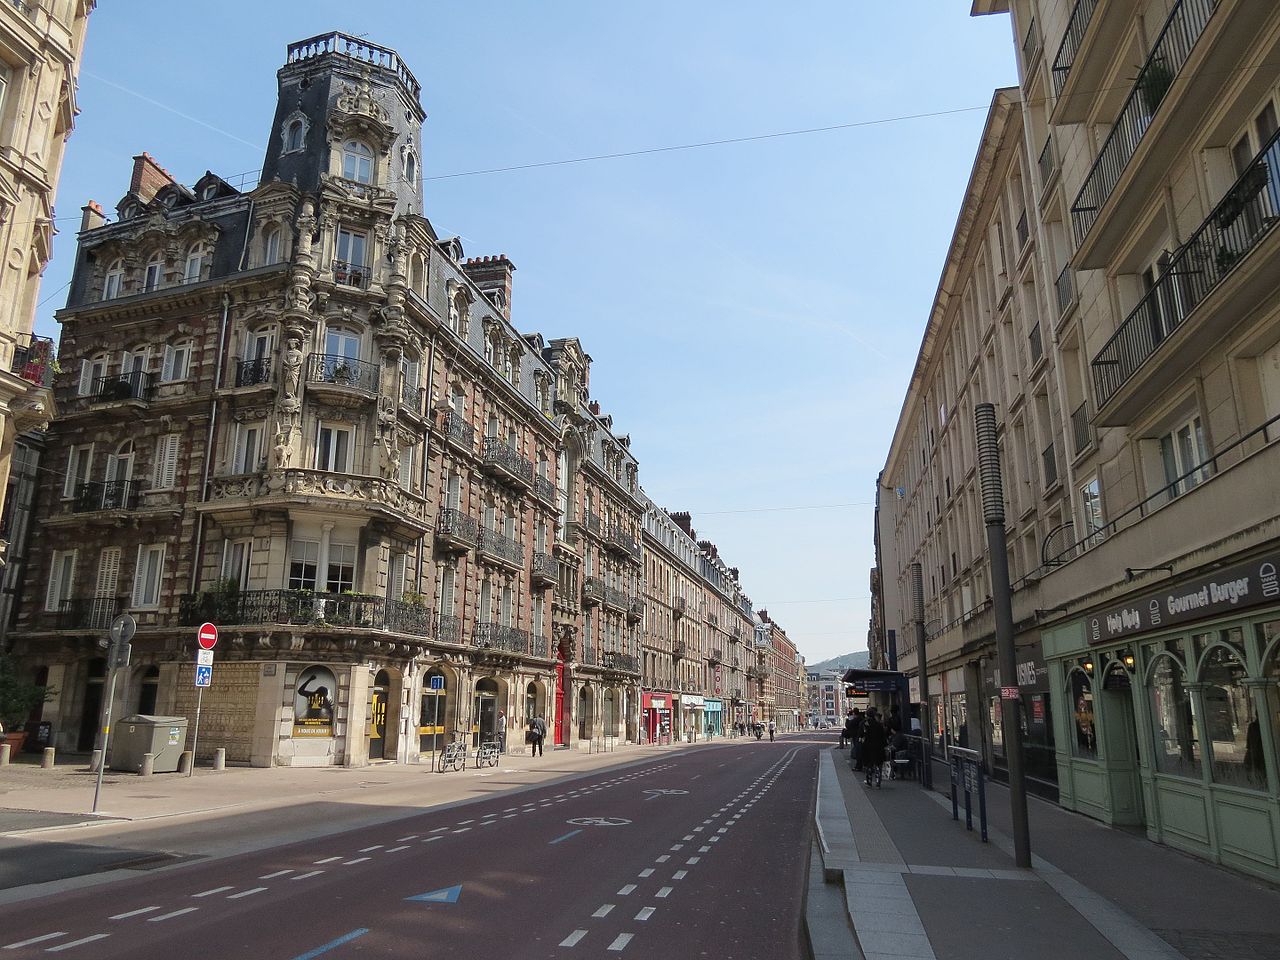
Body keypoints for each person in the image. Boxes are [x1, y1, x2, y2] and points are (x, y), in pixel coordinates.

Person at [861, 709, 888, 788]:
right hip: (878, 747)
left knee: (869, 765)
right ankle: (878, 782)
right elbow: (883, 736)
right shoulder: (879, 725)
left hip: (868, 747)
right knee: (878, 765)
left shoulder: (865, 724)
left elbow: (863, 735)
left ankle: (869, 782)